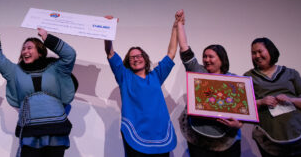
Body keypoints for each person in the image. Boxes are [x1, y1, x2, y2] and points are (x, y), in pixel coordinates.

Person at [0, 19, 77, 157]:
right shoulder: (15, 71)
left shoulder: (55, 67)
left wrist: (48, 38)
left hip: (56, 129)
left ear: (40, 52)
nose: (25, 51)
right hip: (30, 130)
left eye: (29, 47)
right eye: (23, 48)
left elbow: (70, 54)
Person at [103, 14, 177, 157]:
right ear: (128, 61)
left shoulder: (156, 76)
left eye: (139, 55)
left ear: (145, 58)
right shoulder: (124, 77)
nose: (136, 59)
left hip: (160, 132)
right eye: (132, 57)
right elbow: (110, 52)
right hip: (134, 132)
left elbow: (171, 53)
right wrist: (108, 28)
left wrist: (175, 27)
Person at [175, 10, 242, 157]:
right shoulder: (198, 71)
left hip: (226, 140)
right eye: (204, 56)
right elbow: (184, 47)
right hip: (198, 138)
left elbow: (242, 109)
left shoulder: (233, 80)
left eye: (211, 56)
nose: (206, 59)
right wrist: (180, 24)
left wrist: (239, 124)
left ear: (222, 59)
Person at [244, 37, 301, 157]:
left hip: (300, 136)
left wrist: (291, 99)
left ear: (270, 51)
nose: (257, 56)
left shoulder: (291, 73)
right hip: (269, 139)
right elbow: (243, 107)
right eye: (253, 53)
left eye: (260, 51)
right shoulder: (248, 77)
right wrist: (261, 101)